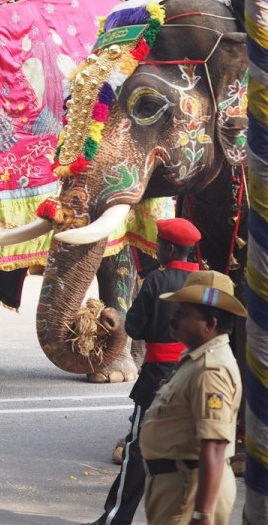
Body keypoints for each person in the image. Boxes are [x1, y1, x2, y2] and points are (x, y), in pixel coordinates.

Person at [86, 217, 201, 525]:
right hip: (194, 375)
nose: (157, 250)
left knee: (137, 451)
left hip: (157, 377)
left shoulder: (156, 281)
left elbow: (134, 327)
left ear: (170, 248)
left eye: (160, 245)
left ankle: (116, 519)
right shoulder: (205, 281)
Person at [139, 270, 245, 525]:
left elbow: (215, 445)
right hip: (177, 485)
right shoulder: (195, 359)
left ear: (210, 324)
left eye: (183, 314)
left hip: (189, 489)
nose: (173, 317)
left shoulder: (211, 370)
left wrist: (202, 514)